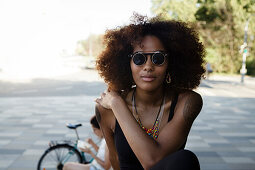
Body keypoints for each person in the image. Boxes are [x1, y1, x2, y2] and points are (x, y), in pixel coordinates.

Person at [95, 14, 205, 170]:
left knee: (185, 159)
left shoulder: (187, 102)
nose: (148, 66)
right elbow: (115, 160)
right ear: (127, 64)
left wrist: (117, 103)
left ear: (170, 63)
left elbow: (152, 161)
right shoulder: (105, 110)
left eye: (158, 58)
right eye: (139, 58)